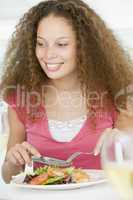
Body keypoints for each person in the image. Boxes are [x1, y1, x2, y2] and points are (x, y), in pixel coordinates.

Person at [1, 0, 133, 183]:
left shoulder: (117, 94)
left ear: (85, 47)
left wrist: (123, 144)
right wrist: (12, 161)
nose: (48, 55)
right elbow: (8, 177)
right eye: (41, 43)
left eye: (61, 44)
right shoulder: (21, 99)